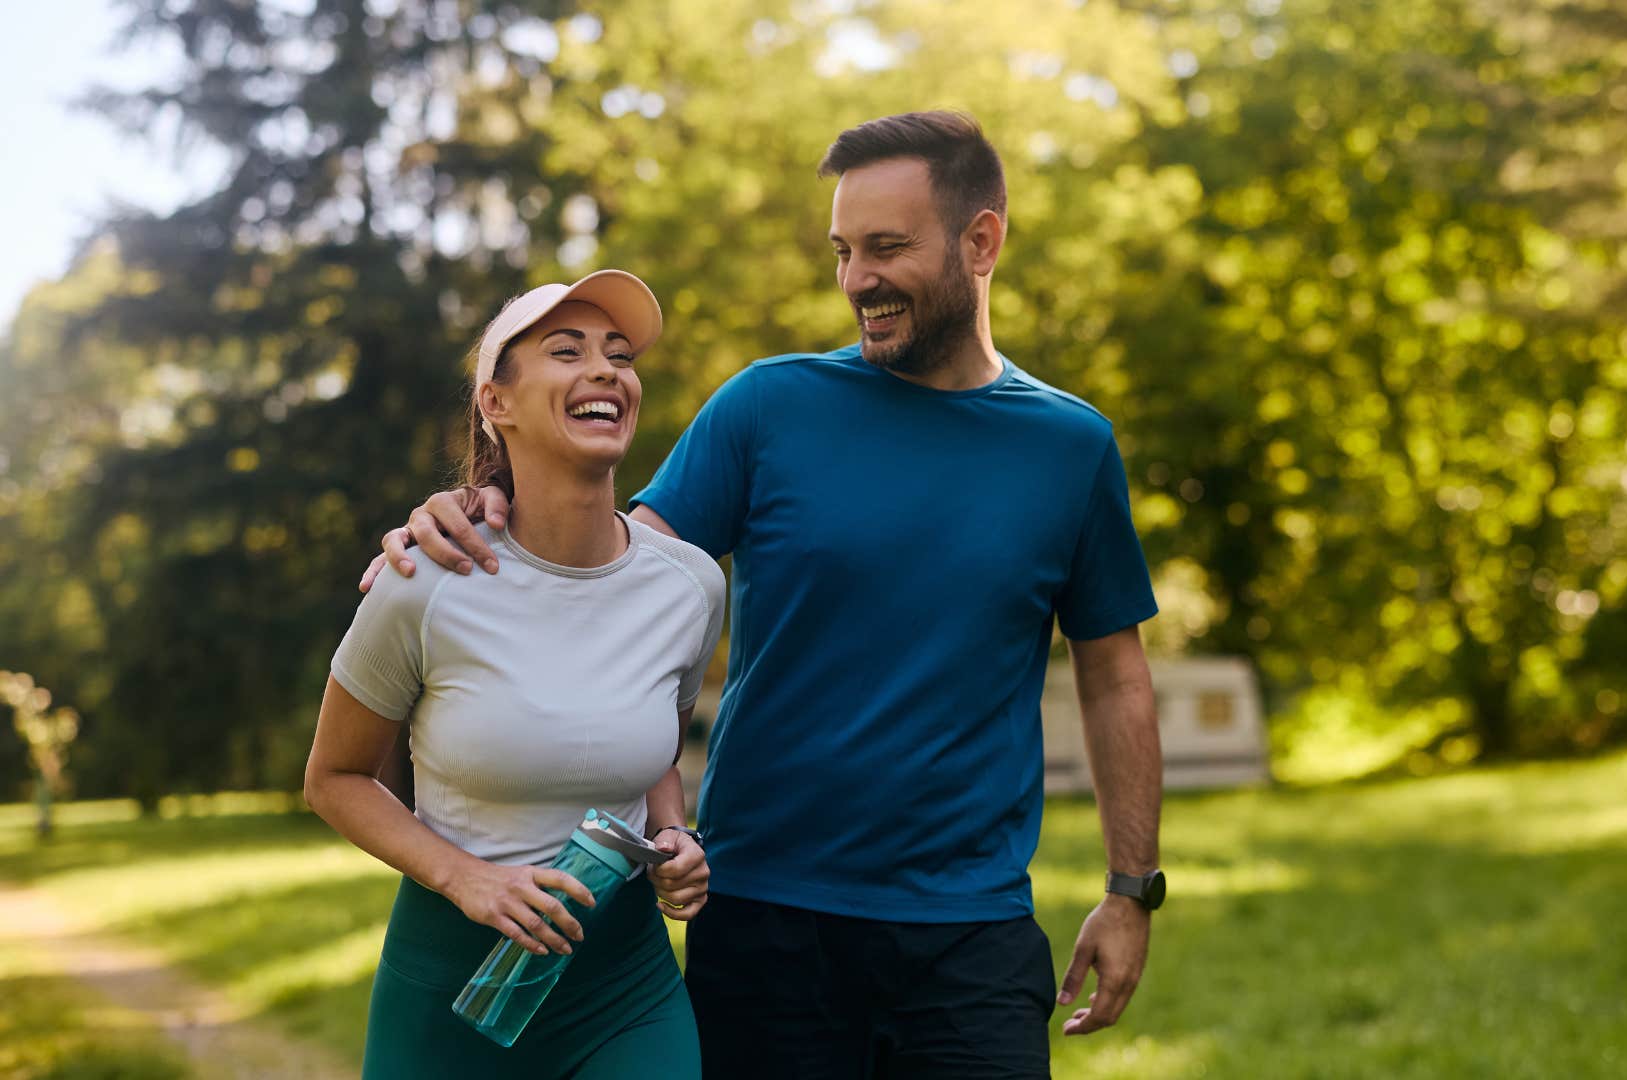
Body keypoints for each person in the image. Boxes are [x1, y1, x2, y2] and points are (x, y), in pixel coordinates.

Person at [366, 112, 1165, 1077]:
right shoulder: (768, 408)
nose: (856, 279)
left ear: (981, 241)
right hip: (766, 924)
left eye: (887, 247)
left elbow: (1116, 676)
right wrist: (477, 504)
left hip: (971, 934)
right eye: (842, 251)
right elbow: (604, 568)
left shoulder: (1070, 449)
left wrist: (1130, 889)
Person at [308, 270, 724, 1078]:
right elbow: (335, 778)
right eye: (566, 351)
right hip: (452, 985)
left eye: (620, 354)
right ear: (496, 403)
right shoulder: (424, 583)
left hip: (624, 988)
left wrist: (674, 835)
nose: (606, 370)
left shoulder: (691, 586)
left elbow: (653, 754)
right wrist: (468, 881)